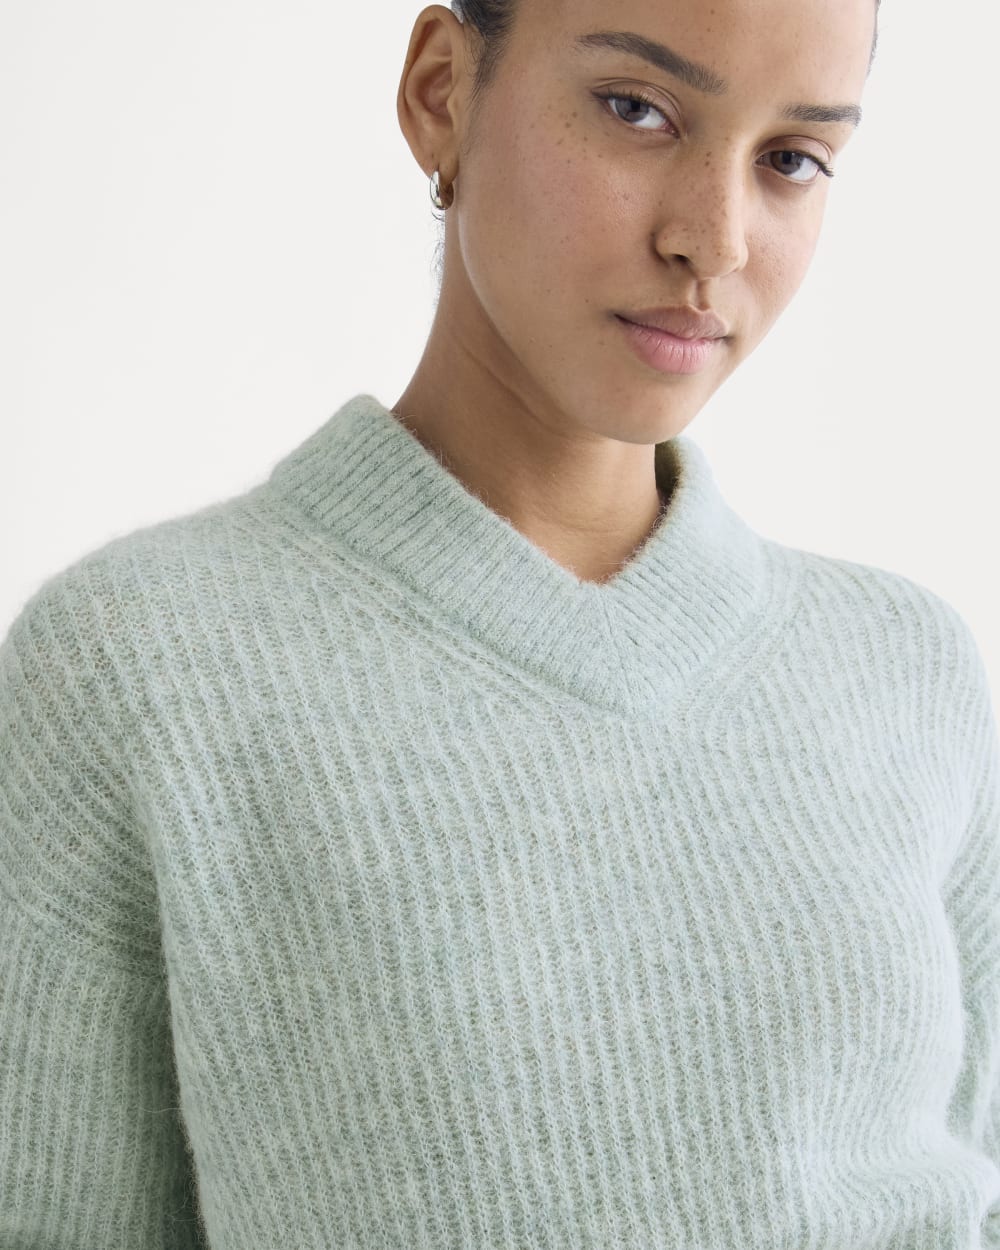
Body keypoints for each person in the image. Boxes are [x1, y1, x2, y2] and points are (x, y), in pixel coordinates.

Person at [1, 0, 998, 1247]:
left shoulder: (907, 672)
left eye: (791, 159)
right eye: (637, 109)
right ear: (441, 92)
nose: (713, 238)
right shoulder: (137, 674)